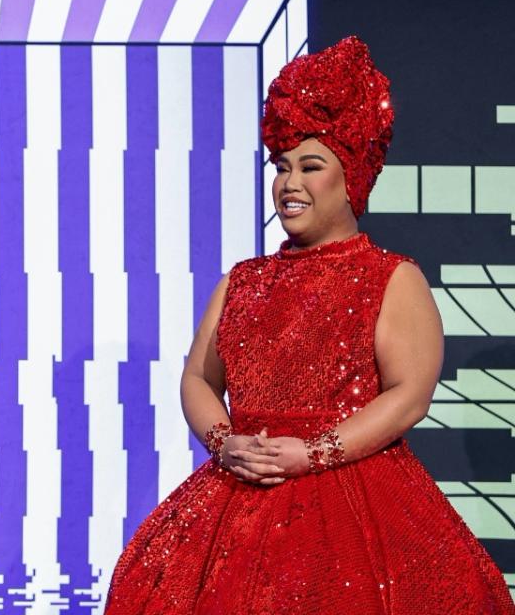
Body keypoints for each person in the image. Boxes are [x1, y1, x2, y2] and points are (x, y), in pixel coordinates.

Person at [104, 37, 514, 614]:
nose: (289, 183)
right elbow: (197, 377)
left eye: (310, 166)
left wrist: (313, 454)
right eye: (281, 167)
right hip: (236, 490)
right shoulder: (241, 281)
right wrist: (225, 444)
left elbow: (410, 395)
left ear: (353, 179)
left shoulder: (390, 277)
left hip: (355, 495)